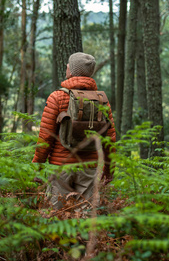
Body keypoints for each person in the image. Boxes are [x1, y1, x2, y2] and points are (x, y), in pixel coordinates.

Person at [32, 52, 116, 209]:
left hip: (60, 166)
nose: (66, 68)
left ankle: (57, 234)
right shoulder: (101, 100)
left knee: (55, 214)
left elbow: (46, 136)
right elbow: (109, 139)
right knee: (85, 213)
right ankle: (82, 234)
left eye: (68, 66)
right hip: (89, 168)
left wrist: (37, 166)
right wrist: (109, 170)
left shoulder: (57, 97)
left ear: (71, 71)